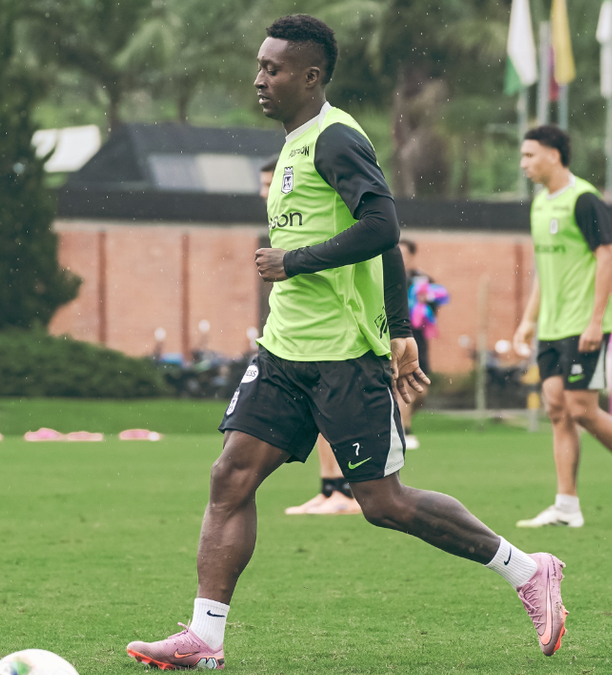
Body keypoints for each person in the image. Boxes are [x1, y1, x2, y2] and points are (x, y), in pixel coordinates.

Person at [125, 16, 568, 670]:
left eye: (273, 69)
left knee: (383, 503)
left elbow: (384, 227)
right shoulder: (292, 147)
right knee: (230, 477)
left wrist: (302, 266)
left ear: (310, 77)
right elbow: (375, 239)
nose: (259, 79)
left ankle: (528, 570)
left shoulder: (335, 138)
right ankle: (205, 638)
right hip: (284, 351)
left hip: (342, 357)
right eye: (259, 66)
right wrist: (402, 328)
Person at [512, 125, 612, 529]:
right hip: (551, 326)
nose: (523, 163)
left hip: (583, 323)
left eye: (529, 155)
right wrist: (528, 320)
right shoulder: (539, 204)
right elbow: (545, 269)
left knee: (582, 408)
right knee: (557, 408)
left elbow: (607, 256)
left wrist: (596, 320)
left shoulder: (583, 199)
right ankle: (566, 506)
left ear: (553, 155)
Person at [262, 156, 362, 516]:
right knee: (320, 418)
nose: (264, 192)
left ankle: (348, 492)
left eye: (269, 183)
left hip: (336, 334)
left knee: (337, 417)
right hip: (299, 337)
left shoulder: (322, 214)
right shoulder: (284, 221)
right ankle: (330, 489)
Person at [397, 239, 448, 450]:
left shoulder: (422, 280)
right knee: (404, 385)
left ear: (412, 256)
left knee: (420, 392)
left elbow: (433, 310)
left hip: (418, 340)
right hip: (396, 338)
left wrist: (424, 303)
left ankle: (398, 422)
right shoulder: (385, 277)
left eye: (404, 254)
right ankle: (404, 431)